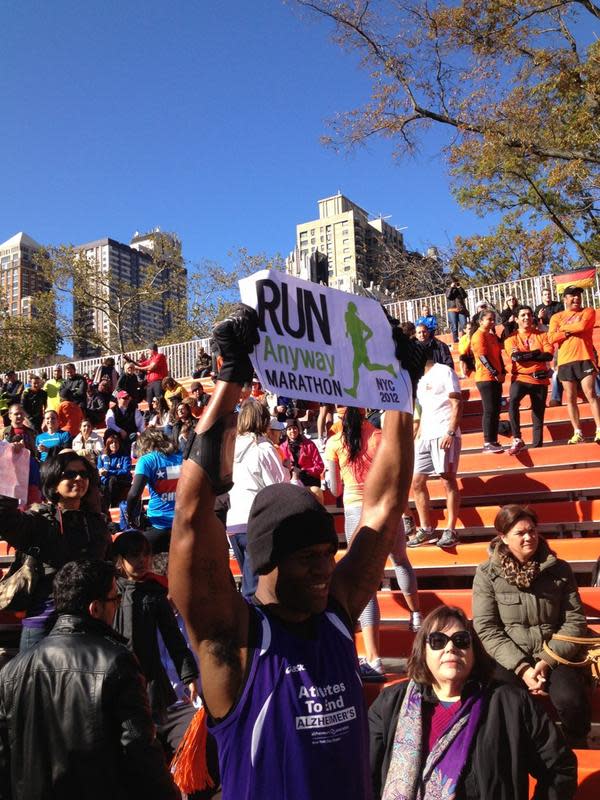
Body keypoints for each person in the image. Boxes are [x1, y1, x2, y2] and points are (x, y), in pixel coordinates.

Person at [168, 305, 414, 800]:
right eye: (307, 557)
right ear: (265, 560)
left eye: (328, 552)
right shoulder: (233, 641)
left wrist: (399, 391)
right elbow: (192, 519)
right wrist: (233, 377)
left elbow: (384, 506)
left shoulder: (336, 613)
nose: (326, 568)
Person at [0, 559, 178, 799]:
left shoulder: (12, 671)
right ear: (95, 608)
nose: (117, 606)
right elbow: (140, 749)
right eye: (115, 599)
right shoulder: (117, 662)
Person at [368, 605, 577, 800]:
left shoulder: (511, 704)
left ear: (474, 652)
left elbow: (559, 769)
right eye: (438, 640)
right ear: (423, 651)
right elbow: (363, 773)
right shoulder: (390, 703)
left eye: (461, 640)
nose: (450, 648)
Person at [473, 504, 591, 748]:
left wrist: (547, 661)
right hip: (509, 657)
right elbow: (486, 628)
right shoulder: (487, 574)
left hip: (554, 653)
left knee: (572, 701)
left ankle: (575, 746)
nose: (529, 537)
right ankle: (519, 753)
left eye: (533, 531)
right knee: (503, 700)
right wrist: (523, 668)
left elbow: (575, 620)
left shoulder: (559, 569)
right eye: (520, 533)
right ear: (503, 537)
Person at [326, 406, 421, 680]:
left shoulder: (334, 443)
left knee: (365, 580)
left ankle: (374, 658)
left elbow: (335, 490)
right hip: (386, 505)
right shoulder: (378, 436)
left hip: (357, 510)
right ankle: (416, 616)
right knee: (401, 560)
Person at [0, 449, 110, 650]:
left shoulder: (95, 523)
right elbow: (4, 520)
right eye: (70, 474)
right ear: (53, 482)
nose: (79, 478)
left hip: (87, 622)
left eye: (84, 474)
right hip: (44, 623)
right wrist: (10, 465)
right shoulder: (41, 521)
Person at [227, 399, 289, 600]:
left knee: (249, 581)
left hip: (234, 523)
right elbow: (279, 487)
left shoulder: (229, 448)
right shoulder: (264, 448)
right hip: (257, 522)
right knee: (258, 587)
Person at [408, 360, 463, 549]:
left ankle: (451, 530)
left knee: (447, 479)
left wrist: (450, 432)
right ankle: (426, 529)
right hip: (425, 436)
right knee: (417, 481)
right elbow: (423, 411)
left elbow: (456, 403)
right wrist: (418, 436)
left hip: (444, 432)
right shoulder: (419, 378)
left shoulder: (445, 371)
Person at [548, 285, 600, 444]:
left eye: (578, 295)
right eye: (572, 295)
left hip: (584, 357)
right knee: (570, 398)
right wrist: (567, 331)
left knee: (590, 394)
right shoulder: (556, 317)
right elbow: (551, 338)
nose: (576, 298)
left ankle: (599, 428)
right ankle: (577, 432)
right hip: (565, 361)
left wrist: (562, 330)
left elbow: (582, 326)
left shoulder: (588, 311)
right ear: (565, 299)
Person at [503, 306, 553, 455]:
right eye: (523, 315)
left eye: (529, 315)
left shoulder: (542, 335)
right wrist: (537, 353)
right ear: (516, 319)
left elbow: (548, 356)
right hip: (520, 377)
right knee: (512, 402)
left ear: (533, 318)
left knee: (538, 414)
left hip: (540, 380)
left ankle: (537, 446)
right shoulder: (510, 338)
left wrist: (528, 355)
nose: (526, 317)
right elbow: (516, 358)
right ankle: (517, 438)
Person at [126, 429, 183, 554]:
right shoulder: (183, 456)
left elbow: (134, 493)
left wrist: (129, 516)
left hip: (158, 523)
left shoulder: (146, 460)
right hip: (185, 524)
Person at [470, 309, 506, 452]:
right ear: (481, 321)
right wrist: (495, 372)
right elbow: (482, 357)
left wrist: (502, 371)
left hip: (496, 377)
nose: (492, 322)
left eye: (493, 319)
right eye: (489, 319)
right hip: (485, 378)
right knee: (490, 410)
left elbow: (498, 355)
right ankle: (487, 441)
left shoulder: (491, 336)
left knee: (496, 410)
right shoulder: (478, 336)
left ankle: (494, 440)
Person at [279, 417, 324, 490]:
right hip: (292, 482)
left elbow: (320, 466)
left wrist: (305, 471)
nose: (292, 431)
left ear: (298, 429)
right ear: (286, 431)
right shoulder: (282, 447)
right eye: (289, 429)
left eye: (294, 428)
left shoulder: (309, 445)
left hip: (310, 480)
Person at [98, 434, 133, 510]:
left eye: (116, 442)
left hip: (122, 480)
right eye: (111, 443)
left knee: (112, 480)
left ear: (119, 444)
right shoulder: (102, 456)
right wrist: (101, 472)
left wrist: (109, 472)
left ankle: (112, 504)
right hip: (106, 480)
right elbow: (99, 469)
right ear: (108, 444)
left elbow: (126, 471)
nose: (114, 445)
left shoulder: (124, 456)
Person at [105, 390, 145, 454]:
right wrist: (120, 430)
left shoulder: (134, 411)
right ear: (118, 399)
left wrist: (140, 432)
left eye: (128, 398)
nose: (127, 400)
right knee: (109, 432)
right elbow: (109, 423)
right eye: (124, 398)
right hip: (117, 434)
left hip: (130, 433)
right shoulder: (112, 410)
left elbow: (141, 424)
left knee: (134, 436)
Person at [446, 278, 469, 343]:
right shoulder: (448, 289)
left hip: (461, 309)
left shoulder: (459, 289)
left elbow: (464, 296)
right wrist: (451, 288)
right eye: (454, 282)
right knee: (454, 326)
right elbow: (448, 296)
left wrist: (460, 287)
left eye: (456, 282)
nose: (455, 283)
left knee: (464, 325)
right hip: (452, 309)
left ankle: (464, 339)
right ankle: (455, 340)